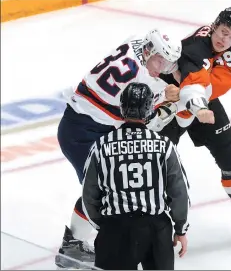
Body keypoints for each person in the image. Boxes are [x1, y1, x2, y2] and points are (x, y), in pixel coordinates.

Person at [55, 29, 181, 269]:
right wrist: (165, 99)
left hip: (83, 124)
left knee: (107, 184)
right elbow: (144, 119)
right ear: (148, 51)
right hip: (81, 133)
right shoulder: (141, 81)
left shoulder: (133, 42)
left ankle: (77, 241)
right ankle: (72, 246)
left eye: (168, 64)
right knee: (105, 187)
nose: (162, 69)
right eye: (159, 61)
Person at [158, 6, 231, 241]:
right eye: (224, 31)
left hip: (201, 101)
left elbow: (213, 88)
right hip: (169, 99)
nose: (226, 39)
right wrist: (185, 101)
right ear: (215, 26)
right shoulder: (195, 46)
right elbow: (190, 85)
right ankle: (142, 221)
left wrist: (192, 101)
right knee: (153, 159)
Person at [82, 82, 190, 270]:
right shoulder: (163, 145)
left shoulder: (102, 146)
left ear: (122, 107)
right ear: (149, 109)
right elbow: (179, 191)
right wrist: (180, 228)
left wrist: (106, 227)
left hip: (115, 228)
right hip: (156, 229)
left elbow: (89, 194)